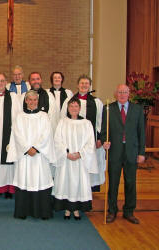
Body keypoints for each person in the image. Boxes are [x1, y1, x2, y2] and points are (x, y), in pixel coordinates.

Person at [7, 90, 55, 220]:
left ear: (37, 101)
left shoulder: (44, 116)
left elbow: (47, 133)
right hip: (25, 156)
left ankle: (42, 212)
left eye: (35, 100)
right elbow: (17, 134)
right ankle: (23, 212)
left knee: (41, 180)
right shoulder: (19, 116)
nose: (32, 102)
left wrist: (36, 148)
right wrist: (27, 148)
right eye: (30, 100)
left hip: (40, 156)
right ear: (26, 101)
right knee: (24, 180)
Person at [101, 84, 145, 224]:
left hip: (131, 152)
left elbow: (141, 133)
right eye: (120, 92)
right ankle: (112, 211)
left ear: (129, 94)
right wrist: (104, 141)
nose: (122, 94)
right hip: (115, 151)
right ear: (115, 94)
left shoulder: (137, 109)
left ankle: (129, 211)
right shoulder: (108, 108)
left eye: (125, 92)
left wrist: (141, 153)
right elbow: (103, 130)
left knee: (130, 183)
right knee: (113, 183)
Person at [53, 97, 98, 220]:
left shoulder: (87, 123)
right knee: (66, 182)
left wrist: (80, 153)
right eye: (71, 106)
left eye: (76, 106)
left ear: (79, 108)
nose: (73, 108)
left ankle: (77, 209)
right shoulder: (62, 122)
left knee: (79, 183)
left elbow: (90, 142)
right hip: (66, 159)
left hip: (80, 160)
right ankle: (67, 209)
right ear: (68, 108)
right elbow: (57, 140)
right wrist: (65, 153)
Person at [61, 75, 105, 191]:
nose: (84, 85)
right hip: (72, 142)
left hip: (91, 142)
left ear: (90, 85)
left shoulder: (96, 102)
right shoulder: (69, 101)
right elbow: (62, 119)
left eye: (86, 83)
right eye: (82, 83)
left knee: (88, 164)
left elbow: (101, 121)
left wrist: (99, 138)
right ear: (77, 85)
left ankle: (88, 191)